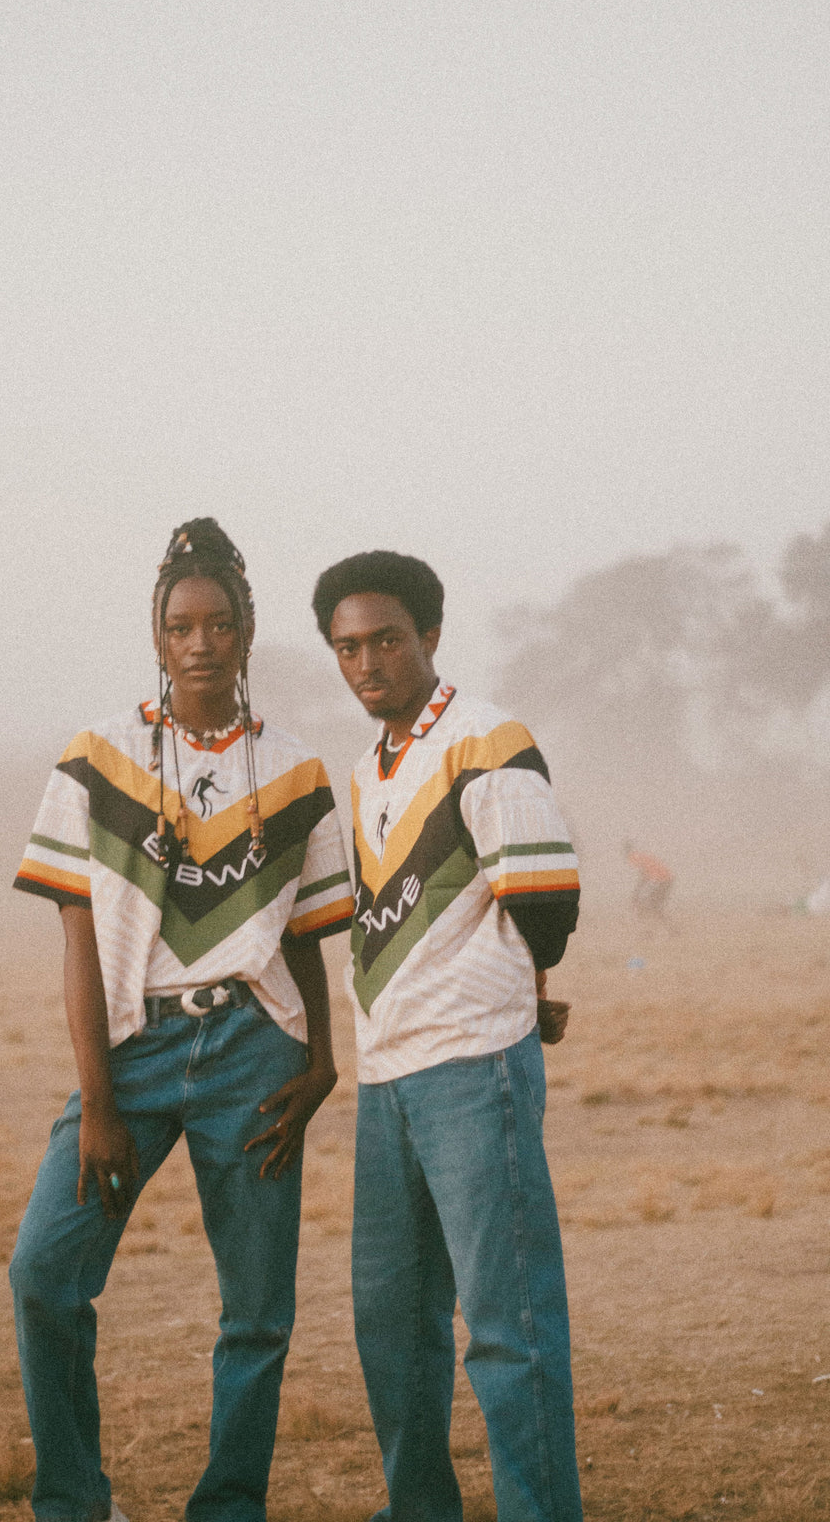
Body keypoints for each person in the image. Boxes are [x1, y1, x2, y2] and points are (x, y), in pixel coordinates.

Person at [10, 519, 354, 1522]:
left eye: (219, 623)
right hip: (134, 1050)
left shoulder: (295, 771)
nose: (200, 642)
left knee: (257, 1311)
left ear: (246, 633)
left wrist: (324, 1059)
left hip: (257, 1050)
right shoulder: (95, 761)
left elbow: (305, 937)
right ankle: (74, 1502)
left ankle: (228, 1506)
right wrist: (103, 1101)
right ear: (155, 637)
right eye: (180, 626)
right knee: (43, 1276)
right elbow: (79, 944)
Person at [312, 549, 582, 1522]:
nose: (367, 662)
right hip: (388, 1079)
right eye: (347, 647)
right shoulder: (365, 768)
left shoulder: (488, 740)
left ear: (429, 634)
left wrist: (522, 987)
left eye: (386, 638)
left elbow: (546, 899)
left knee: (507, 1331)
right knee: (392, 1327)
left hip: (473, 1069)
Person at [624, 842, 673, 921]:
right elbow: (646, 876)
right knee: (652, 905)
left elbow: (644, 876)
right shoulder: (640, 856)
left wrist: (636, 892)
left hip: (664, 880)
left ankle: (667, 929)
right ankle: (666, 928)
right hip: (665, 880)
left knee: (653, 905)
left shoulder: (634, 857)